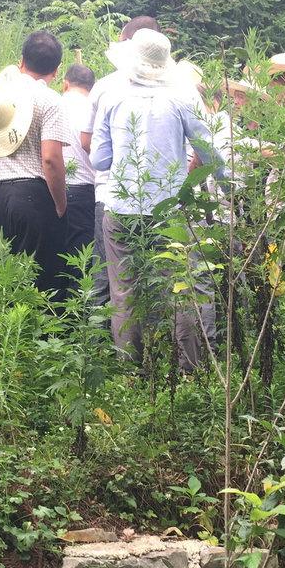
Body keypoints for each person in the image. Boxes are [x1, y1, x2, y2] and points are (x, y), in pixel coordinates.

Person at [90, 29, 221, 371]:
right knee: (182, 289)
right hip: (171, 209)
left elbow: (99, 160)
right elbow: (209, 153)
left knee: (124, 293)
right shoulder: (184, 96)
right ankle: (188, 371)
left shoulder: (111, 95)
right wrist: (224, 187)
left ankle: (131, 375)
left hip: (120, 206)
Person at [0, 31, 72, 299]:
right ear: (56, 69)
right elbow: (51, 159)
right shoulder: (51, 101)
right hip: (34, 198)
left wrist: (8, 177)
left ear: (21, 61)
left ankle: (9, 338)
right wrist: (61, 204)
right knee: (43, 280)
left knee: (8, 277)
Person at [80, 15, 163, 307]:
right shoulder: (176, 87)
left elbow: (88, 142)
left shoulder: (105, 86)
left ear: (123, 39)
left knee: (109, 278)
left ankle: (104, 349)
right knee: (157, 279)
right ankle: (157, 348)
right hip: (162, 199)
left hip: (112, 196)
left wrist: (120, 158)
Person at [60, 64, 98, 279]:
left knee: (58, 253)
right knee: (82, 258)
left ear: (65, 84)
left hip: (52, 187)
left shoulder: (54, 103)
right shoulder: (93, 108)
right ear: (91, 88)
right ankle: (83, 309)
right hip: (85, 191)